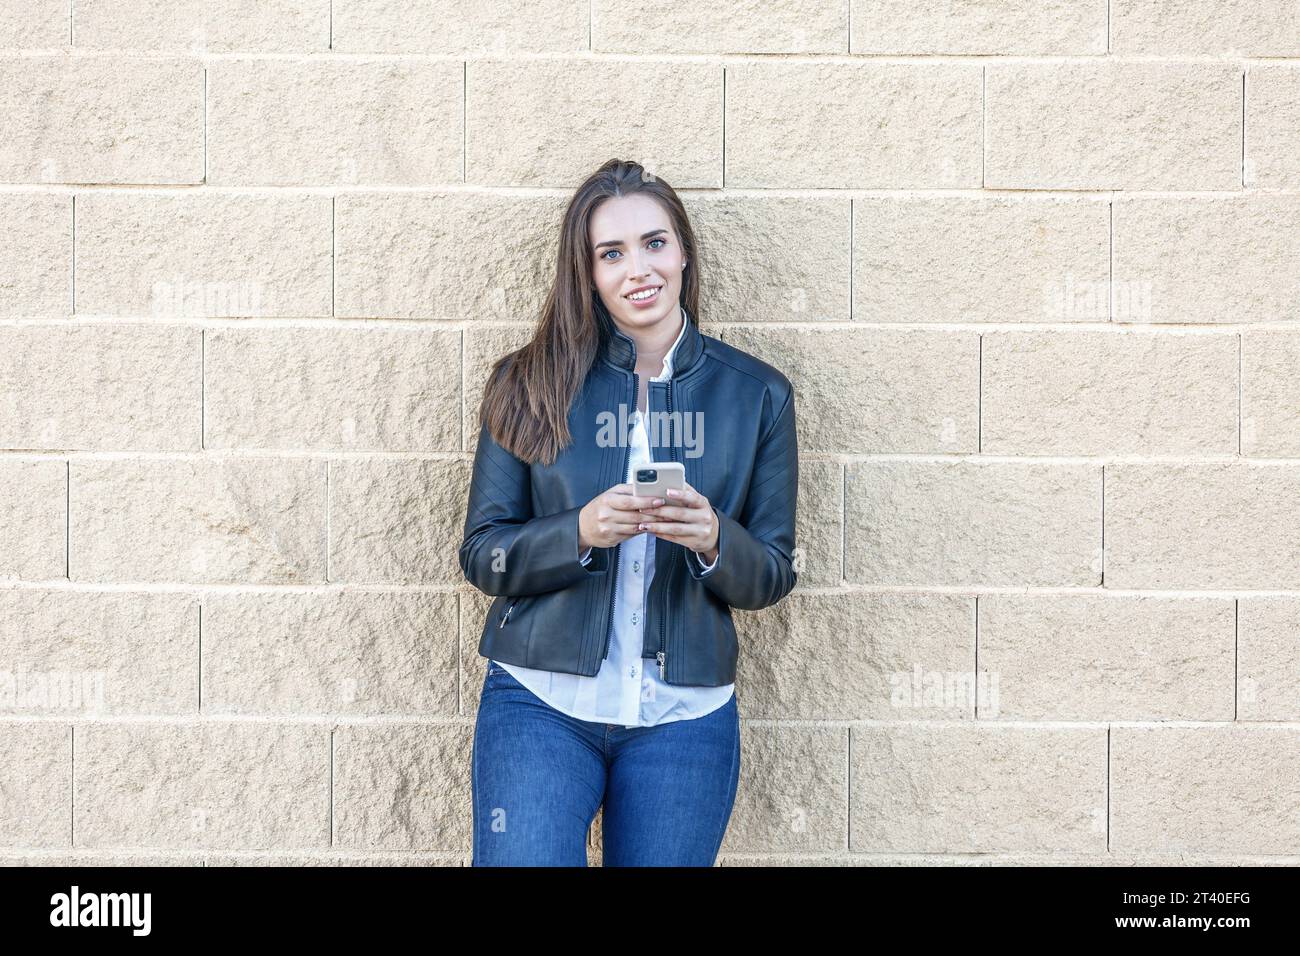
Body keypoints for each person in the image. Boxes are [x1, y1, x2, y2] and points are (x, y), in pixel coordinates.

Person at [462, 158, 799, 866]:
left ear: (682, 253)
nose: (637, 268)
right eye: (610, 253)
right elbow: (483, 552)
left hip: (684, 719)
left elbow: (770, 573)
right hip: (539, 704)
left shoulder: (758, 396)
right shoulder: (526, 382)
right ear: (586, 273)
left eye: (653, 243)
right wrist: (578, 533)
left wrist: (712, 541)